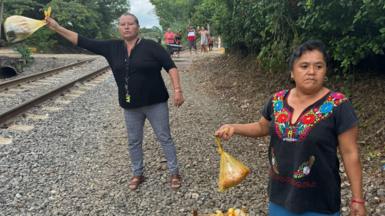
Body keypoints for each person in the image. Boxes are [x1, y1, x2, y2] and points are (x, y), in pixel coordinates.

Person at [215, 40, 366, 216]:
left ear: (325, 71)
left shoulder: (339, 105)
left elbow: (350, 153)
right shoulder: (277, 101)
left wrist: (357, 199)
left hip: (320, 200)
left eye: (319, 66)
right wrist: (234, 127)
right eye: (304, 66)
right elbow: (261, 127)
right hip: (280, 197)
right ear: (292, 72)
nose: (311, 72)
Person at [45, 13, 184, 191]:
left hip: (155, 103)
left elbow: (170, 67)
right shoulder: (112, 47)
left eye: (130, 24)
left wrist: (177, 90)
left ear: (137, 27)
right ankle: (137, 173)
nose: (126, 27)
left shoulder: (151, 46)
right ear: (119, 28)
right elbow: (82, 41)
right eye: (122, 24)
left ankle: (174, 173)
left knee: (164, 137)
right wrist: (57, 28)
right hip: (130, 106)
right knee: (134, 141)